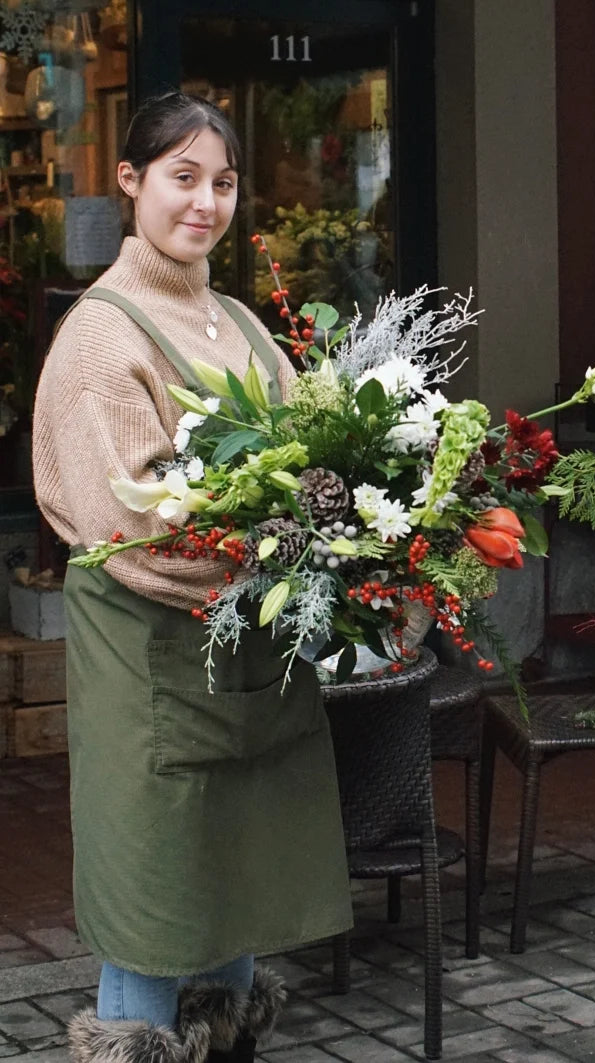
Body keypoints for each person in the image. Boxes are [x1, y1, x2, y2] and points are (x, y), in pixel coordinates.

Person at [32, 92, 353, 1063]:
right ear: (129, 181)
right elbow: (133, 527)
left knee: (236, 883)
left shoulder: (244, 325)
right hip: (152, 670)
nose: (205, 201)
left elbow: (307, 460)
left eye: (221, 180)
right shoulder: (102, 336)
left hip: (243, 658)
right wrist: (278, 549)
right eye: (182, 176)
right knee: (158, 899)